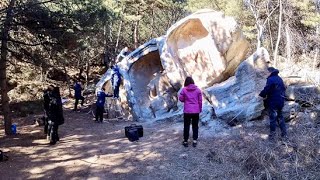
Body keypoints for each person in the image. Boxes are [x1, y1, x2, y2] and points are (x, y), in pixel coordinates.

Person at [259, 67, 287, 141]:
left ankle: (272, 137)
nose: (265, 74)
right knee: (280, 117)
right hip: (281, 101)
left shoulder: (270, 79)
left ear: (270, 72)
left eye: (266, 72)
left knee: (273, 118)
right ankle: (284, 134)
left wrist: (261, 95)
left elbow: (267, 89)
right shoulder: (279, 78)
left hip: (274, 102)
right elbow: (283, 88)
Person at [179, 76, 202, 147]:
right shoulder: (198, 90)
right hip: (196, 111)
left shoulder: (184, 90)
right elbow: (200, 101)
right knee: (195, 125)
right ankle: (194, 140)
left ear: (186, 82)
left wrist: (185, 99)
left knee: (186, 126)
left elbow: (181, 99)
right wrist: (200, 109)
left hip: (187, 111)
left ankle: (185, 141)